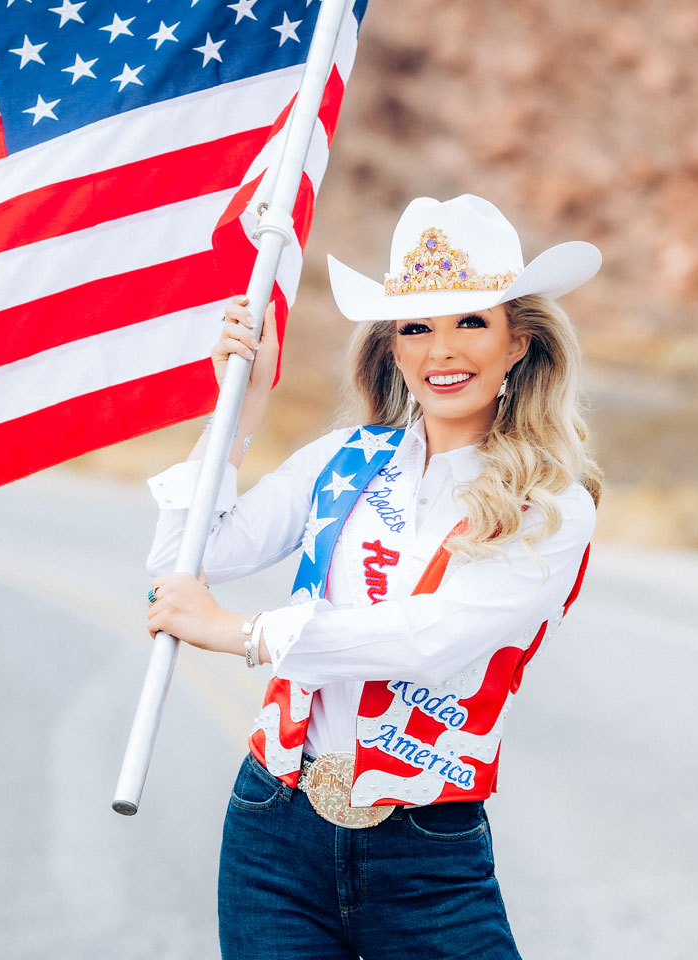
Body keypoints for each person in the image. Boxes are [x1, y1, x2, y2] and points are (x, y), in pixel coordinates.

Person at [142, 195, 604, 960]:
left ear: (519, 340)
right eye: (416, 327)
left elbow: (424, 642)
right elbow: (181, 566)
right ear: (392, 345)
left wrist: (243, 634)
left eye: (470, 322)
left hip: (425, 851)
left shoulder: (550, 505)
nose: (440, 351)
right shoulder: (343, 459)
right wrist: (242, 408)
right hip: (273, 827)